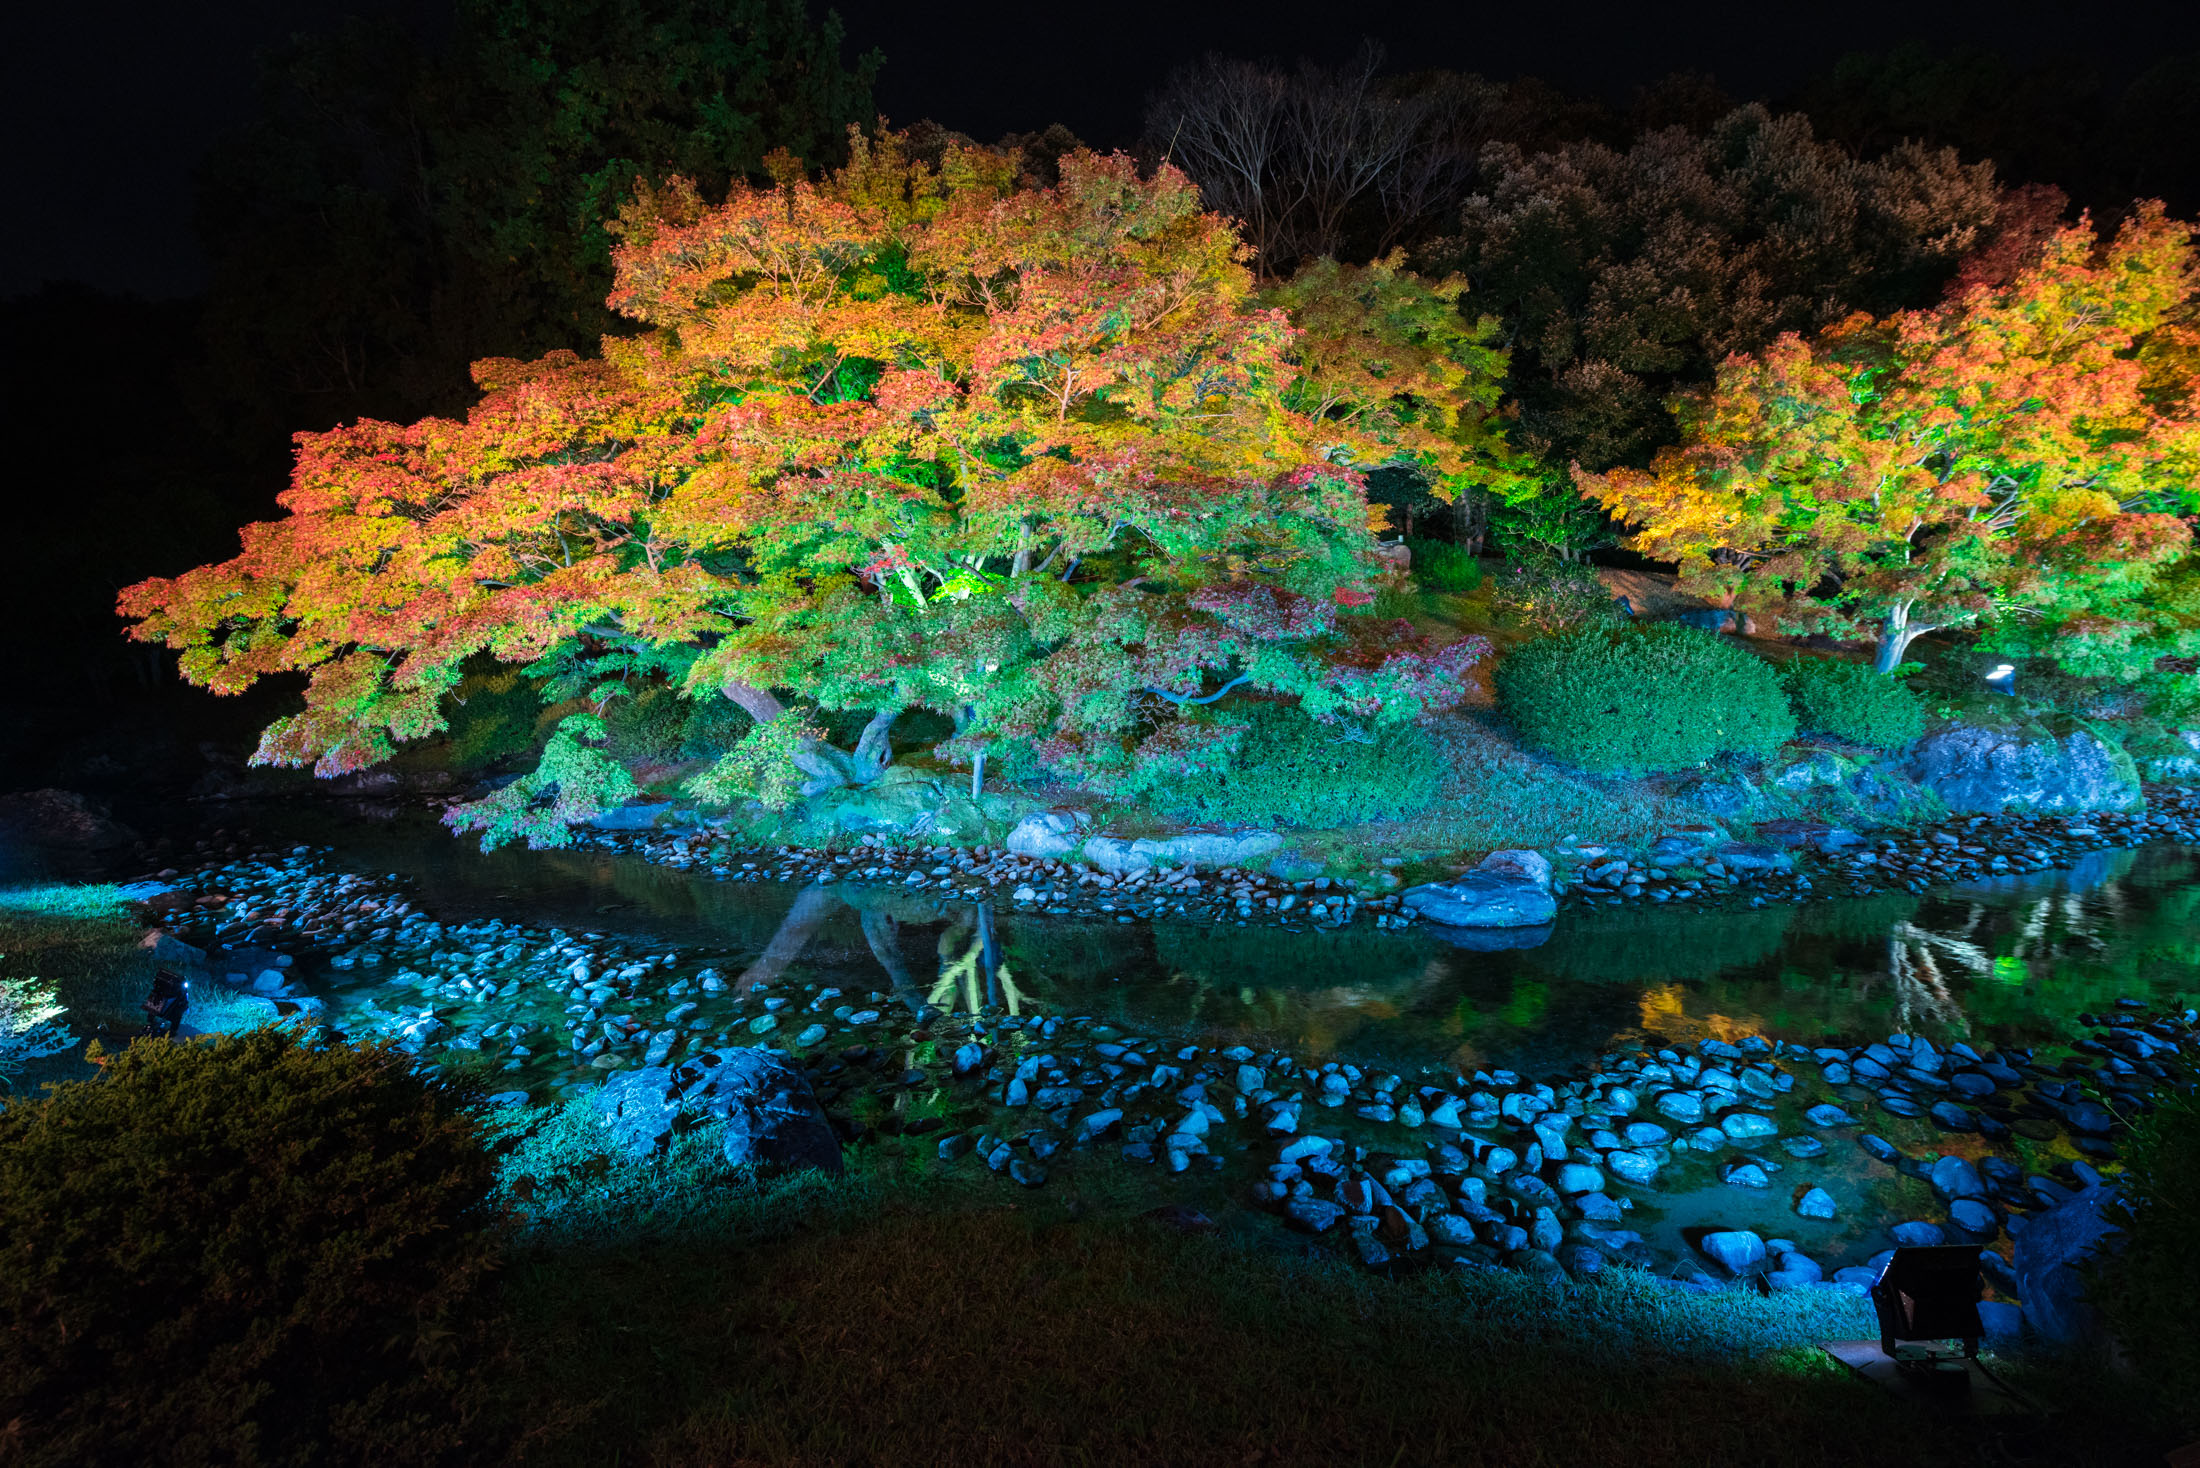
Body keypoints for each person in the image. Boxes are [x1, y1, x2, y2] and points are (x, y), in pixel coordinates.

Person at [141, 967, 189, 1040]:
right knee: (176, 1013)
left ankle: (155, 1026)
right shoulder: (167, 992)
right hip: (166, 999)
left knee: (175, 1012)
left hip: (166, 998)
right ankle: (169, 1031)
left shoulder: (162, 992)